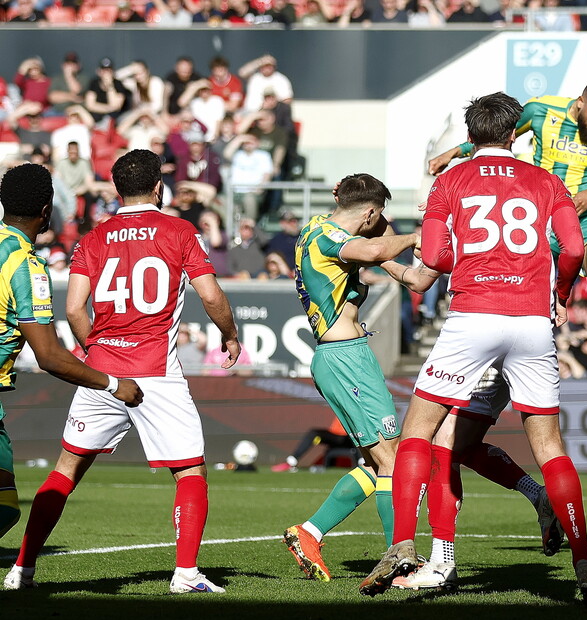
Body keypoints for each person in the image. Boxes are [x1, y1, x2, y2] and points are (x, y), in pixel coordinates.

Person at [362, 92, 587, 607]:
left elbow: (432, 257)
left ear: (469, 136)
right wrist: (559, 294)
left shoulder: (450, 181)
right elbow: (578, 248)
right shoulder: (545, 180)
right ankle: (585, 567)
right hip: (531, 322)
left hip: (474, 317)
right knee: (549, 448)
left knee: (420, 432)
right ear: (516, 132)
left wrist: (464, 250)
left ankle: (404, 544)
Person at [4, 151, 238, 594]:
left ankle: (22, 569)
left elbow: (74, 309)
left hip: (101, 370)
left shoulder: (93, 238)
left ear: (116, 190)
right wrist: (229, 334)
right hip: (157, 372)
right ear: (158, 188)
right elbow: (210, 295)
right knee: (190, 472)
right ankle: (186, 574)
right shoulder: (180, 231)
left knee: (65, 470)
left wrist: (100, 351)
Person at [427, 79, 587, 395]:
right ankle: (498, 367)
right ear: (581, 102)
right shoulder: (542, 111)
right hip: (543, 209)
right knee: (526, 295)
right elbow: (496, 137)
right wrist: (454, 152)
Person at [283, 173, 422, 581]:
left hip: (343, 356)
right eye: (379, 215)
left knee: (376, 464)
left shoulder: (315, 229)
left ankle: (308, 533)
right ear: (370, 212)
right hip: (346, 358)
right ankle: (400, 564)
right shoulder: (332, 238)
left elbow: (405, 272)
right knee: (391, 461)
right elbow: (380, 245)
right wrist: (417, 235)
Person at [0, 165, 143, 556]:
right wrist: (113, 384)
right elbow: (48, 356)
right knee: (3, 509)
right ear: (47, 210)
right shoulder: (25, 266)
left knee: (5, 505)